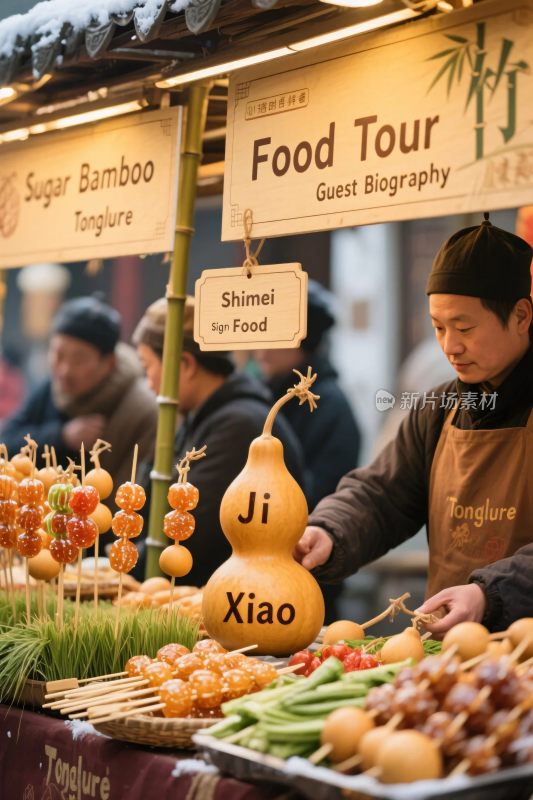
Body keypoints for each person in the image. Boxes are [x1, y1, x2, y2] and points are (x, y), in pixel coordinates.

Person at [294, 214, 533, 634]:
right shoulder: (438, 408)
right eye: (439, 327)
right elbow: (382, 493)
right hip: (444, 648)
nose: (449, 346)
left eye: (464, 327)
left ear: (520, 315)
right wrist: (329, 530)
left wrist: (488, 593)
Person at [132, 296, 305, 587]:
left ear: (185, 365)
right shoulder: (198, 418)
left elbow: (188, 537)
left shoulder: (237, 427)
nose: (148, 382)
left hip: (247, 602)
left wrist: (115, 570)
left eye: (147, 366)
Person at [254, 280, 361, 622]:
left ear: (305, 343)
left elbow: (317, 497)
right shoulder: (266, 396)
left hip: (307, 575)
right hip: (259, 573)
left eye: (276, 338)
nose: (262, 350)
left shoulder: (330, 407)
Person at [1, 296, 158, 491]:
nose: (65, 370)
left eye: (79, 359)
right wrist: (61, 436)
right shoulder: (53, 388)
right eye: (58, 355)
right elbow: (5, 441)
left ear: (109, 363)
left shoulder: (139, 407)